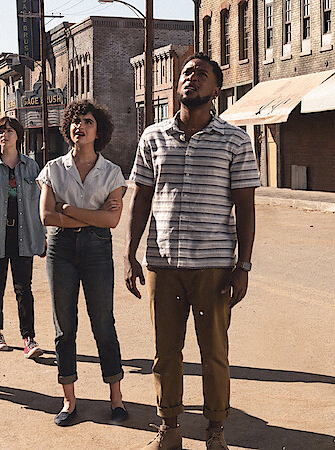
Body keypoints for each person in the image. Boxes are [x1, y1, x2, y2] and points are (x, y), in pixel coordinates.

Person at [123, 53, 260, 450]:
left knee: (214, 352)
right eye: (186, 72)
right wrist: (130, 254)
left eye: (201, 74)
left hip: (213, 266)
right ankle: (169, 428)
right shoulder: (152, 137)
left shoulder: (235, 141)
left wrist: (243, 266)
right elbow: (141, 198)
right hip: (162, 265)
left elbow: (246, 206)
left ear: (216, 89)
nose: (191, 78)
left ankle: (215, 432)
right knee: (166, 352)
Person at [36, 99, 128, 426]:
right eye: (75, 122)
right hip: (61, 250)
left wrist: (70, 210)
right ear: (68, 129)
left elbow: (112, 222)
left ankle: (116, 400)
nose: (81, 126)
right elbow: (47, 215)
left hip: (98, 249)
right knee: (65, 326)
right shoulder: (53, 170)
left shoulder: (112, 172)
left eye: (87, 121)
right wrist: (93, 217)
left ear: (97, 130)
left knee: (103, 321)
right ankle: (69, 401)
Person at [0, 117, 46, 359]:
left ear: (18, 135)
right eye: (1, 131)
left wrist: (43, 234)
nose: (5, 135)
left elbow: (39, 204)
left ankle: (29, 337)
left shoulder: (32, 167)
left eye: (10, 131)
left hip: (24, 233)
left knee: (25, 288)